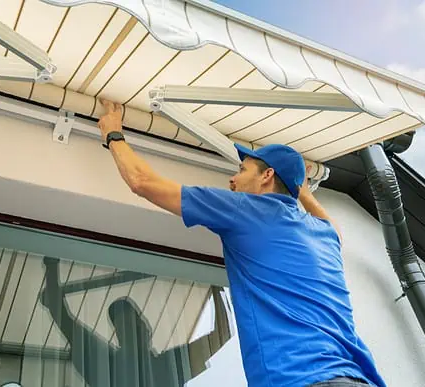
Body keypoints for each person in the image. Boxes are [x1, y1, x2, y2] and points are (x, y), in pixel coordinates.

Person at [95, 99, 386, 387]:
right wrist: (303, 193)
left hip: (304, 380)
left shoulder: (246, 210)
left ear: (267, 176)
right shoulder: (323, 236)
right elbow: (334, 228)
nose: (233, 180)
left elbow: (142, 182)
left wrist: (113, 134)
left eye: (243, 170)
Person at [39, 256, 231, 387]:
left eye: (134, 322)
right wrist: (213, 278)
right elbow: (220, 337)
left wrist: (215, 278)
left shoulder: (164, 366)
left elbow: (221, 337)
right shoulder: (164, 368)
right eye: (128, 325)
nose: (136, 329)